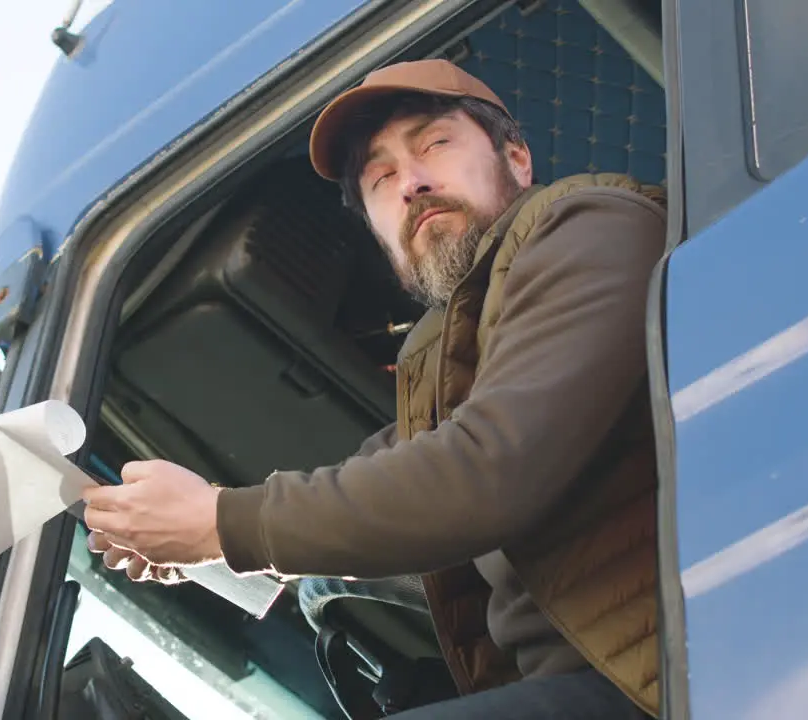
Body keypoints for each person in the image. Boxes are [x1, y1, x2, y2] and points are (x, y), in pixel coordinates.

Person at [80, 58, 666, 719]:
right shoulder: (448, 355)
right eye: (380, 179)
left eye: (435, 144)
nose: (410, 184)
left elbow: (481, 472)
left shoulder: (588, 224)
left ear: (518, 157)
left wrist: (218, 524)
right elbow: (379, 484)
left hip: (679, 675)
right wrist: (193, 535)